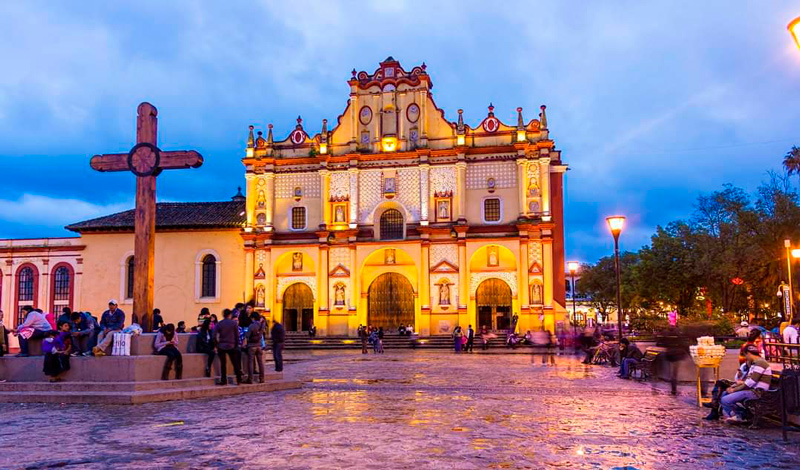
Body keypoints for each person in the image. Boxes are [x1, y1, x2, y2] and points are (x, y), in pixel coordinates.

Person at [720, 345, 772, 422]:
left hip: (756, 392)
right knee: (724, 393)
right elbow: (749, 381)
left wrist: (734, 390)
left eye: (745, 355)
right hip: (751, 389)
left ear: (748, 353)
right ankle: (739, 415)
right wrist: (735, 386)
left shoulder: (760, 363)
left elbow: (751, 382)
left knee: (725, 400)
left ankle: (742, 415)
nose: (745, 358)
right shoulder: (755, 363)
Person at [213, 309, 242, 385]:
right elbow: (237, 335)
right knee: (235, 363)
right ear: (230, 315)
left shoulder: (220, 324)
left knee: (223, 364)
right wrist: (236, 344)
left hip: (222, 346)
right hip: (232, 345)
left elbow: (214, 335)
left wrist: (217, 344)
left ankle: (223, 380)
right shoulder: (233, 324)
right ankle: (239, 379)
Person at [245, 312, 265, 383]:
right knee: (260, 363)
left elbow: (247, 335)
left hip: (251, 346)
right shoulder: (262, 325)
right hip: (259, 345)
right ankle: (262, 378)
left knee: (250, 363)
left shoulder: (252, 326)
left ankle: (250, 379)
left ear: (253, 318)